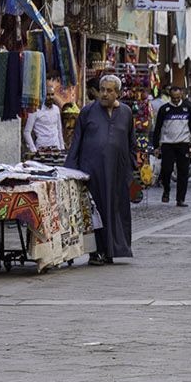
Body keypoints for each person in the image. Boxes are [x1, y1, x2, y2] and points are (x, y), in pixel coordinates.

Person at [65, 75, 136, 265]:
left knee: (115, 211)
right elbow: (76, 143)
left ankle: (114, 250)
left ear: (117, 93)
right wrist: (71, 171)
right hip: (92, 171)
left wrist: (131, 167)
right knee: (95, 212)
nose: (104, 94)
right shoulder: (88, 112)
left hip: (117, 173)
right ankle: (96, 252)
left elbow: (131, 143)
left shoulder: (127, 113)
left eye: (109, 90)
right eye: (102, 89)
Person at [151, 84, 191, 206]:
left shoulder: (187, 108)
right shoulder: (164, 109)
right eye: (174, 98)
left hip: (183, 143)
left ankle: (180, 199)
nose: (176, 100)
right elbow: (157, 128)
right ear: (170, 96)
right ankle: (166, 190)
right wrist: (156, 146)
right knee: (166, 170)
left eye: (178, 97)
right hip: (168, 143)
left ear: (182, 96)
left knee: (183, 172)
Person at [23, 80, 66, 155]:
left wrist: (62, 147)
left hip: (56, 148)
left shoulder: (56, 109)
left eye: (52, 94)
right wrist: (33, 149)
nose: (50, 97)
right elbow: (27, 132)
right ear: (43, 95)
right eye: (48, 95)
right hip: (42, 149)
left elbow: (59, 129)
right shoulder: (35, 110)